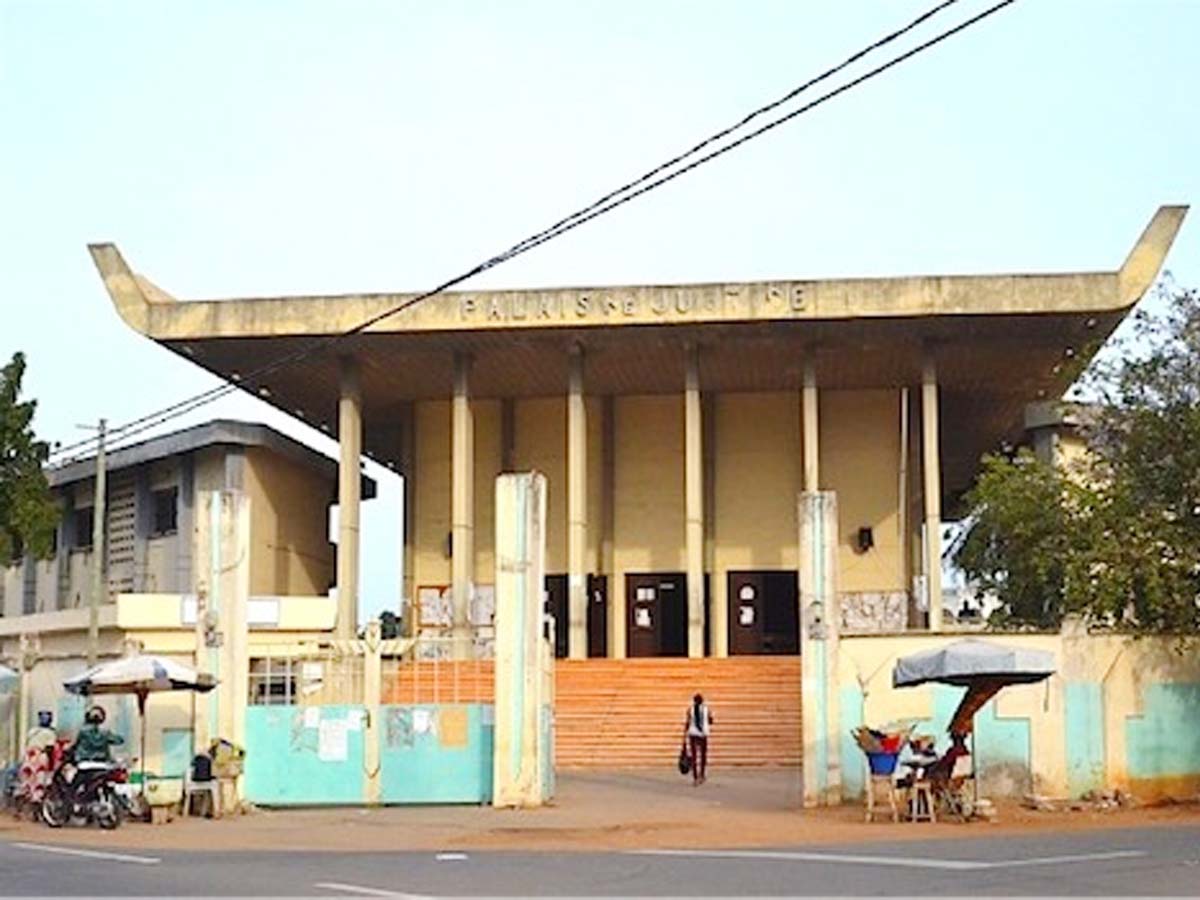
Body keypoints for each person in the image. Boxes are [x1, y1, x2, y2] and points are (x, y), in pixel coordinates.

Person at [683, 693, 713, 786]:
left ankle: (696, 777)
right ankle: (702, 774)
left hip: (693, 734)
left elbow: (687, 722)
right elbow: (711, 721)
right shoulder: (706, 709)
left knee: (694, 756)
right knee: (703, 755)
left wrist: (684, 734)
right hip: (703, 734)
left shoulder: (690, 710)